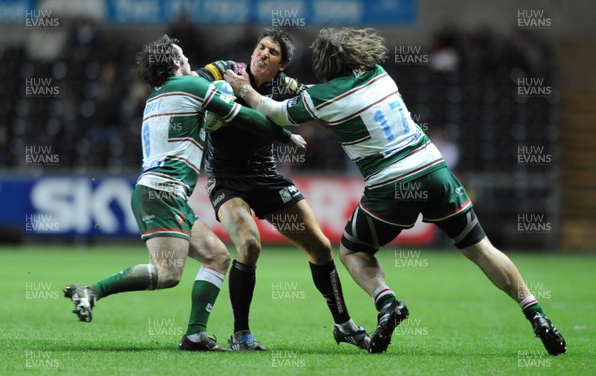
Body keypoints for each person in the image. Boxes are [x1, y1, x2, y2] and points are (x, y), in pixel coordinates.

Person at [224, 27, 566, 356]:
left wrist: (244, 89)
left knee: (352, 252)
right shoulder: (379, 74)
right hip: (434, 169)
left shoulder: (322, 97)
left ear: (326, 64)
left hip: (391, 184)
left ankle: (386, 301)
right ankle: (535, 312)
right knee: (481, 249)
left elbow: (274, 111)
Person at [63, 35, 304, 352]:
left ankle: (195, 335)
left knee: (217, 257)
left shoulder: (157, 95)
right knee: (167, 273)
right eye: (183, 54)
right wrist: (287, 138)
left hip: (162, 193)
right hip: (162, 193)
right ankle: (91, 291)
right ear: (176, 62)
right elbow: (248, 119)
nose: (188, 58)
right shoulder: (191, 87)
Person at [192, 28, 369, 351]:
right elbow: (189, 83)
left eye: (272, 52)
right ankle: (241, 335)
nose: (263, 54)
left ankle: (343, 324)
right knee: (249, 244)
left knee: (319, 246)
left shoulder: (286, 87)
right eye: (260, 47)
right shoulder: (223, 71)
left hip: (265, 177)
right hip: (226, 179)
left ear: (283, 64)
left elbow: (319, 112)